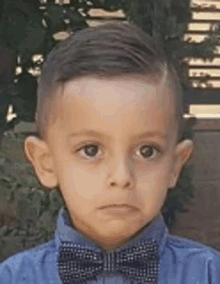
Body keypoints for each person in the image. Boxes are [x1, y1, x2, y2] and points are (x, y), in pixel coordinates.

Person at [0, 22, 219, 284]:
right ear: (46, 163)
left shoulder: (209, 274)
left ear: (175, 164)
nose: (121, 176)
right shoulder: (14, 278)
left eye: (147, 151)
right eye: (90, 150)